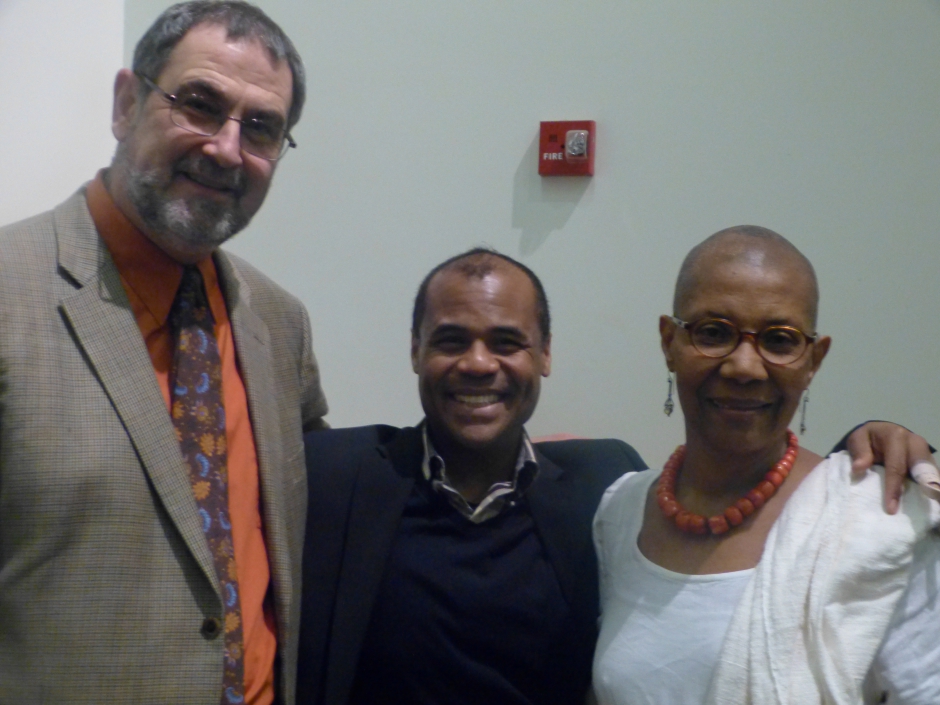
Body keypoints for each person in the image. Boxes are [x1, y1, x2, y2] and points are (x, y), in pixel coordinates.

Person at [298, 247, 932, 705]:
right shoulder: (332, 474)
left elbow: (819, 533)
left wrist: (873, 445)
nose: (479, 363)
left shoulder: (596, 488)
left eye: (508, 342)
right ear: (415, 350)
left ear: (545, 355)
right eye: (450, 340)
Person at [0, 3, 326, 704]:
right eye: (200, 104)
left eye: (261, 127)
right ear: (126, 104)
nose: (226, 148)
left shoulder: (280, 324)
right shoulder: (8, 294)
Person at [591, 226, 940, 704]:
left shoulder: (883, 521)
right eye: (713, 332)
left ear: (813, 360)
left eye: (779, 340)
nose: (745, 367)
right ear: (669, 342)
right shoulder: (619, 512)